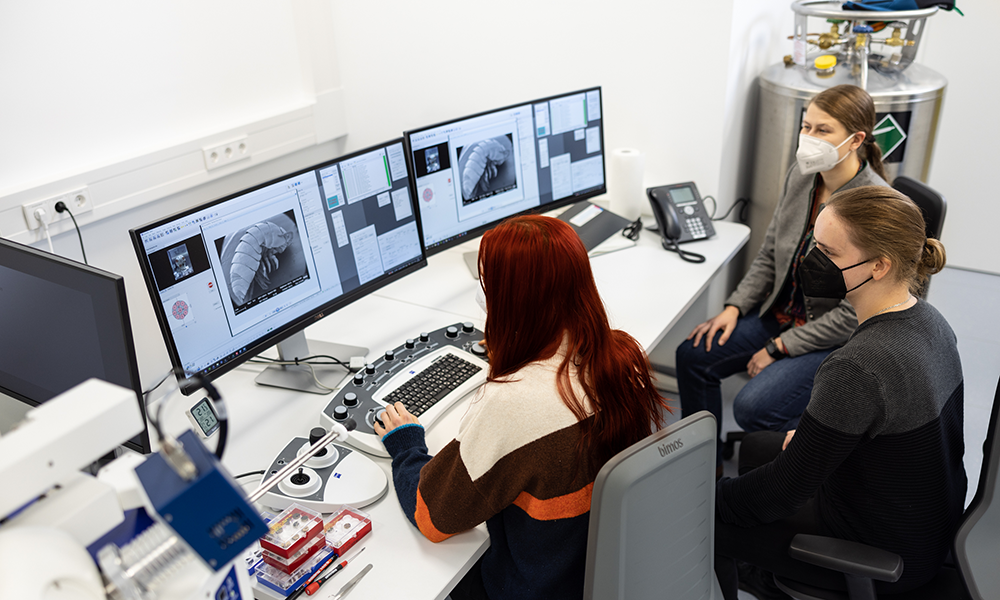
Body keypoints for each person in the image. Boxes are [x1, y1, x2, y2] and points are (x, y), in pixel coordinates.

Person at [374, 215, 668, 600]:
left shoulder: (511, 403)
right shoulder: (622, 356)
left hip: (536, 587)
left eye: (488, 284)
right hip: (599, 574)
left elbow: (434, 517)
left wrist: (406, 446)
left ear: (511, 300)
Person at [713, 186, 966, 598]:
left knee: (714, 520)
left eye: (828, 253)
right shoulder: (931, 321)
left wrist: (708, 497)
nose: (811, 262)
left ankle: (768, 577)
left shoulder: (856, 367)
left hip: (887, 555)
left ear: (880, 265)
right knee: (759, 445)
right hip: (926, 523)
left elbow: (782, 491)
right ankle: (768, 571)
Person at [676, 84, 890, 467]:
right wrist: (735, 306)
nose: (808, 139)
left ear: (856, 139)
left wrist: (780, 347)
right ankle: (702, 466)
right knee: (694, 355)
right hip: (779, 315)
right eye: (806, 126)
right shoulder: (803, 175)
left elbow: (851, 315)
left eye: (823, 130)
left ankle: (806, 460)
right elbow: (770, 251)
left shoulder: (872, 205)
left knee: (753, 407)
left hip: (829, 339)